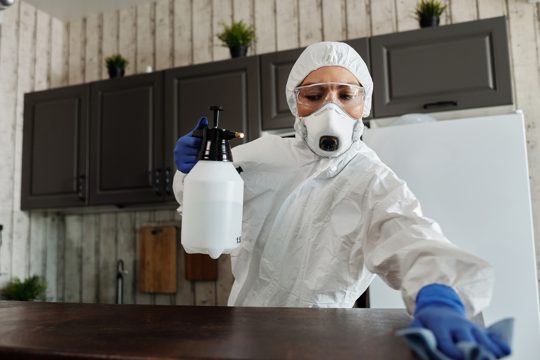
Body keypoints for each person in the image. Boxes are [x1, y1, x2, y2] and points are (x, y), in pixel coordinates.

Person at [173, 41, 511, 359]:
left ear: (363, 105)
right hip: (243, 332)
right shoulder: (260, 157)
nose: (330, 109)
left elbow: (409, 233)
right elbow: (199, 202)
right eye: (315, 95)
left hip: (324, 341)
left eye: (346, 95)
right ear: (296, 103)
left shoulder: (372, 180)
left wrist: (439, 294)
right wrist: (194, 170)